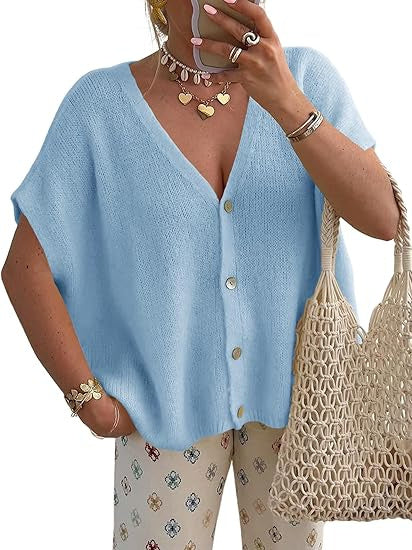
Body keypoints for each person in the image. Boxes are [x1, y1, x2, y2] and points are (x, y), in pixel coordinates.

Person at [2, 0, 399, 548]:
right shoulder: (99, 107)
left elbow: (382, 220)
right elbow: (26, 267)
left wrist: (287, 103)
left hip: (301, 410)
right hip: (160, 414)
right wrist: (87, 399)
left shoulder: (306, 79)